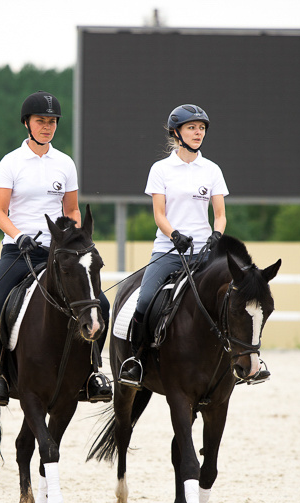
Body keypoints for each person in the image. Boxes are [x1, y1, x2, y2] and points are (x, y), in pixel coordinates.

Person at [0, 91, 112, 406]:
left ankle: (93, 371)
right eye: (41, 121)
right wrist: (18, 235)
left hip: (58, 254)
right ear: (27, 123)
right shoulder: (10, 162)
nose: (47, 127)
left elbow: (72, 211)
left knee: (102, 304)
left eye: (52, 122)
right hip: (19, 251)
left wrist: (74, 238)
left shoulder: (64, 163)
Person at [117, 104, 247, 388]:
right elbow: (159, 214)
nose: (198, 132)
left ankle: (245, 359)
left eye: (201, 128)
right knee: (145, 298)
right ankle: (136, 361)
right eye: (192, 128)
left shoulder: (212, 170)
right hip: (169, 250)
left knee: (239, 295)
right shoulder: (161, 169)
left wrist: (216, 234)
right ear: (177, 133)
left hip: (204, 252)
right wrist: (174, 235)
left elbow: (221, 214)